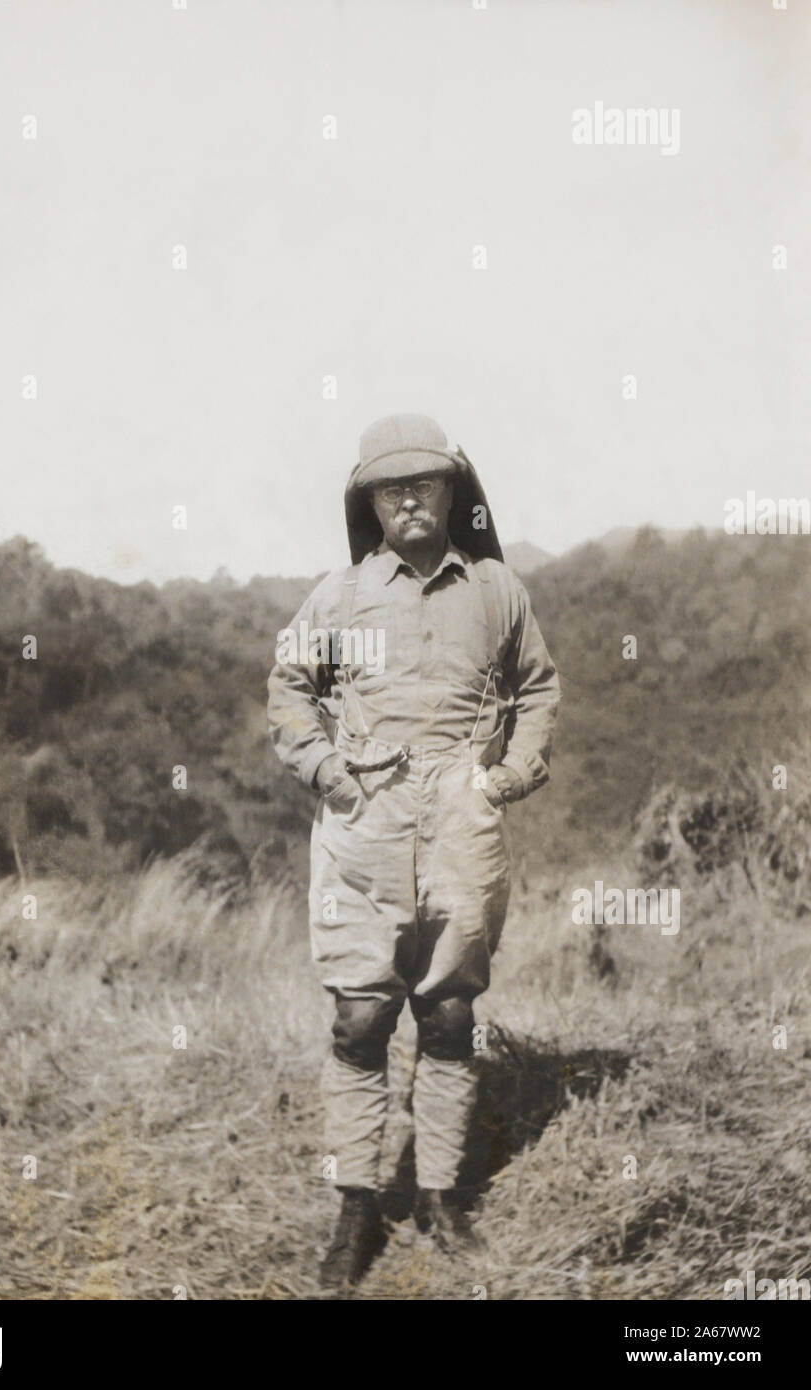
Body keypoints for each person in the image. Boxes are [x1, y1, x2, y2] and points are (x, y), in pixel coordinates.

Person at [267, 413, 560, 1288]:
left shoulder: (498, 590)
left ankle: (438, 1197)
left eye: (424, 482)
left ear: (450, 492)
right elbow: (288, 688)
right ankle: (356, 1207)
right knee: (360, 1019)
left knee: (448, 1016)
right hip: (365, 823)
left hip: (463, 827)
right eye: (390, 488)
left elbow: (539, 690)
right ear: (370, 504)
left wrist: (505, 779)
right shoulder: (340, 596)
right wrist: (331, 774)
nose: (408, 499)